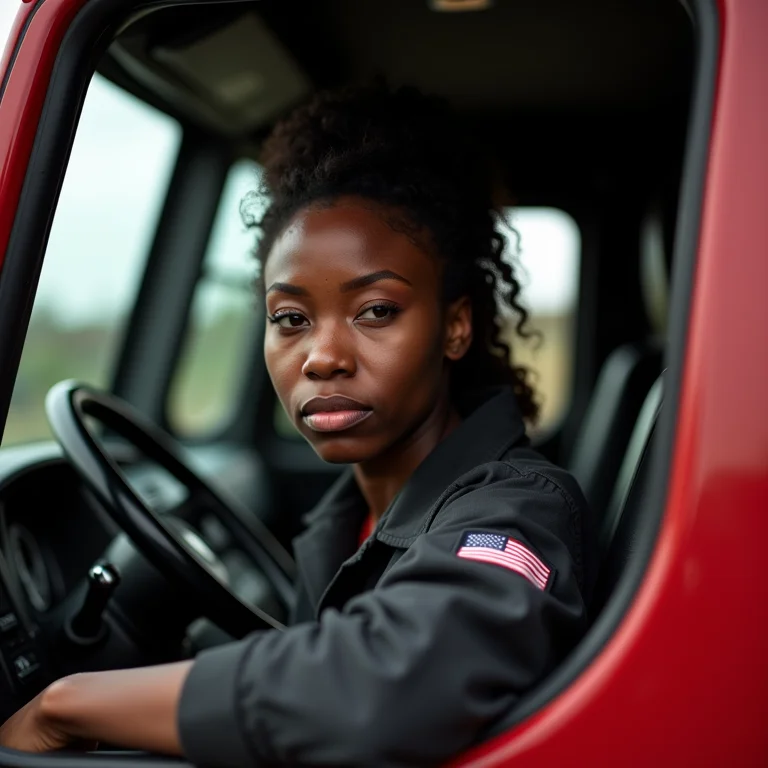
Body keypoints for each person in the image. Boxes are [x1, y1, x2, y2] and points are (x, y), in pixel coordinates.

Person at [0, 83, 596, 766]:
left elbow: (379, 687)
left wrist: (63, 705)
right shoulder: (351, 516)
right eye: (291, 319)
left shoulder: (518, 512)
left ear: (455, 326)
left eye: (376, 310)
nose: (322, 357)